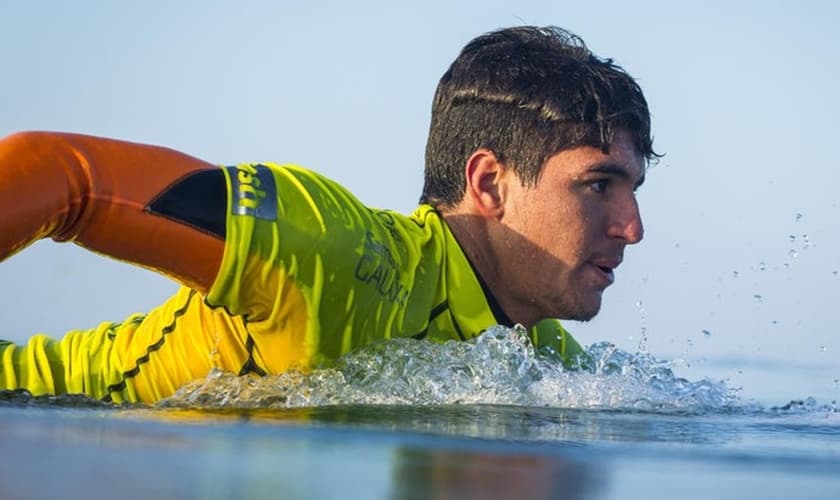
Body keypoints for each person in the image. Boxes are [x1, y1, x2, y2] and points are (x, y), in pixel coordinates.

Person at [0, 26, 655, 404]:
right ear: (489, 183)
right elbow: (64, 173)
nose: (632, 226)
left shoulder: (536, 358)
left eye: (634, 190)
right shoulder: (335, 250)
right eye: (599, 184)